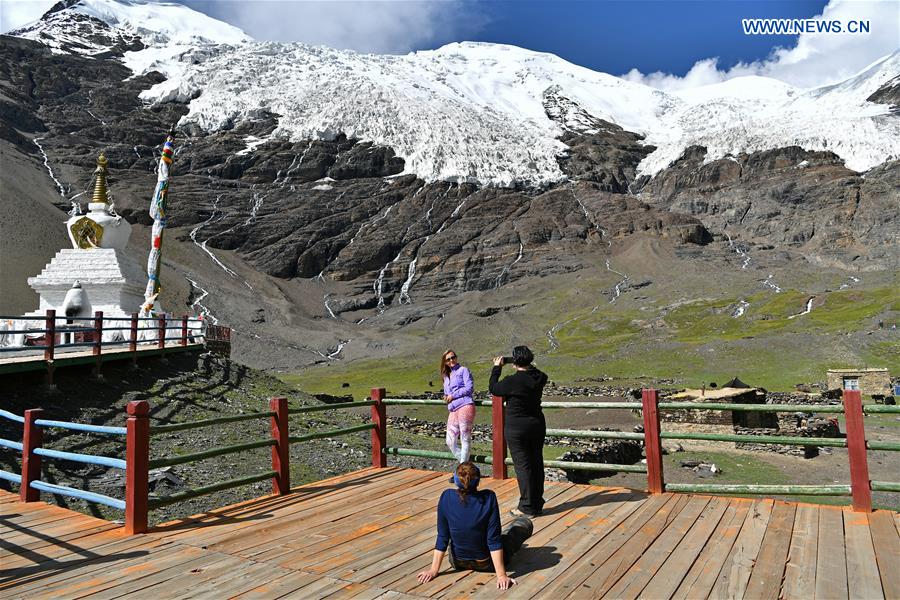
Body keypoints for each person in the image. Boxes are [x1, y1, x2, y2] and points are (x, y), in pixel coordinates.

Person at [417, 462, 533, 590]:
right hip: (486, 563)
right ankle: (522, 524)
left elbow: (443, 536)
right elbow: (493, 540)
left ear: (456, 480)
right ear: (478, 482)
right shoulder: (489, 497)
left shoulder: (446, 496)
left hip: (457, 561)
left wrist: (434, 570)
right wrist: (501, 575)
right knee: (520, 527)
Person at [489, 346, 548, 517]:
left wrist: (497, 367)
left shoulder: (512, 381)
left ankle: (527, 507)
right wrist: (527, 365)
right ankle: (537, 503)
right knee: (536, 463)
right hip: (536, 425)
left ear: (514, 362)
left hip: (517, 428)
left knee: (523, 466)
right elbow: (538, 373)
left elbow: (494, 388)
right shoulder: (539, 377)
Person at [441, 350, 475, 463]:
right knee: (449, 441)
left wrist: (453, 395)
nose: (451, 360)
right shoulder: (445, 377)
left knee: (465, 439)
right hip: (453, 409)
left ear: (456, 357)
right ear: (445, 362)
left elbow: (469, 388)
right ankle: (467, 467)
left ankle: (462, 471)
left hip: (465, 406)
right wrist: (446, 397)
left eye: (453, 357)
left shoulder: (463, 370)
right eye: (448, 359)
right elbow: (447, 393)